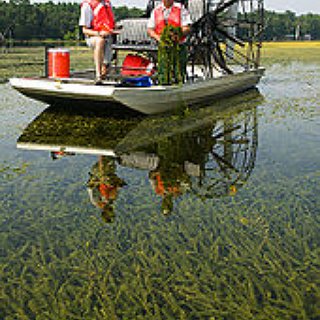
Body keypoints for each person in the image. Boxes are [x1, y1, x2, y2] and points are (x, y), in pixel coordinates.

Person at [79, 0, 116, 85]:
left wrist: (115, 29)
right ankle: (98, 76)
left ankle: (106, 66)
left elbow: (110, 24)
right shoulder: (87, 6)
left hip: (108, 37)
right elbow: (85, 30)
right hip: (93, 37)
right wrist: (99, 33)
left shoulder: (107, 4)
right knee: (100, 41)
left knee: (106, 68)